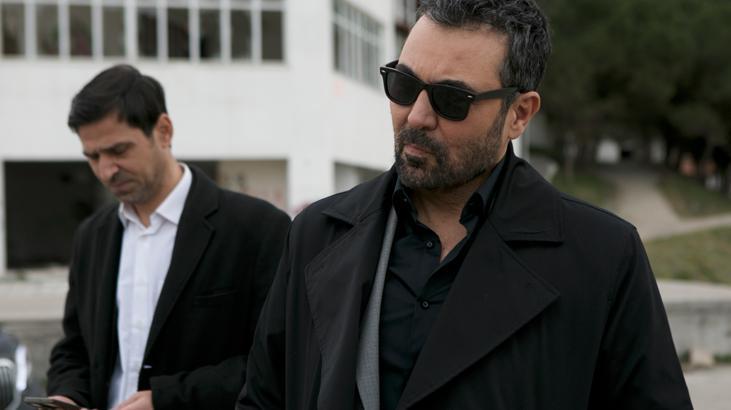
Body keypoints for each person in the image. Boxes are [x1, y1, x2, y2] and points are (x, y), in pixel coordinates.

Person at [237, 1, 693, 409]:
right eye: (403, 83)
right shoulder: (316, 234)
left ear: (519, 114)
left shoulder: (603, 256)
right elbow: (263, 398)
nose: (416, 116)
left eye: (451, 99)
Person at [46, 65, 290, 410]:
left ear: (163, 131)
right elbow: (74, 349)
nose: (106, 170)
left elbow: (278, 360)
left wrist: (165, 400)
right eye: (93, 157)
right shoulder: (92, 237)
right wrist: (65, 397)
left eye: (119, 151)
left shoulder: (257, 229)